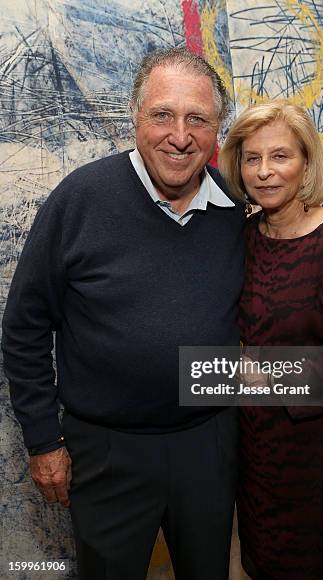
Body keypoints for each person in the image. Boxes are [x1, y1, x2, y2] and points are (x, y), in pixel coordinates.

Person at [2, 47, 245, 580]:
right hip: (107, 452)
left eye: (197, 119)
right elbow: (23, 326)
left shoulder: (236, 208)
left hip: (209, 444)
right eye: (163, 115)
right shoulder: (80, 199)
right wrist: (44, 440)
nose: (179, 137)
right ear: (135, 117)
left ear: (216, 129)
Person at [219, 102, 323, 580]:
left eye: (280, 157)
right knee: (257, 561)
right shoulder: (245, 237)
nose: (265, 172)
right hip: (253, 447)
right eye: (252, 159)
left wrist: (263, 377)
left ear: (306, 163)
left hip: (317, 455)